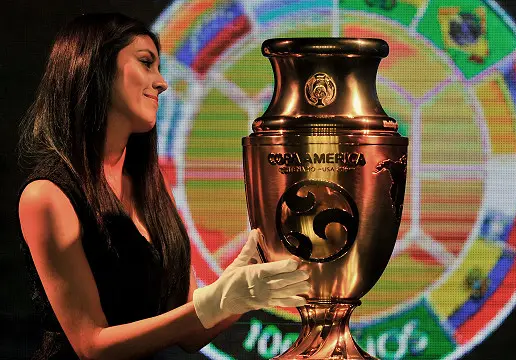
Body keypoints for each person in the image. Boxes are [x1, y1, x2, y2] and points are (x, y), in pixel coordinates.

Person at [17, 13, 309, 360]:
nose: (162, 83)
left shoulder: (153, 187)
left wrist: (239, 292)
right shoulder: (47, 195)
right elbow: (92, 346)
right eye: (145, 63)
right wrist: (214, 301)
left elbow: (189, 332)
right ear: (95, 69)